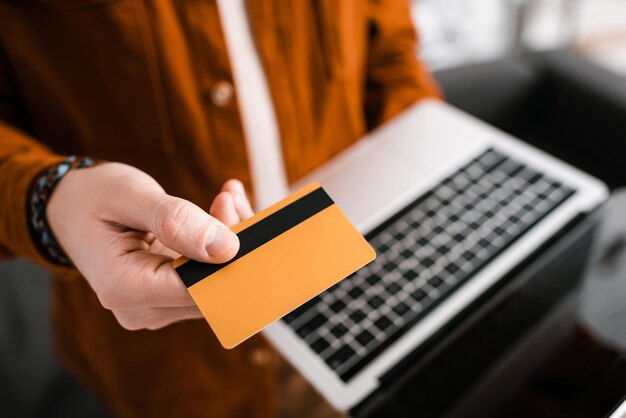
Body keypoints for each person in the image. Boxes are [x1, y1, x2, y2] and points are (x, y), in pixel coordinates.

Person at [0, 1, 440, 417]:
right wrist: (51, 200)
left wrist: (427, 161)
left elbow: (390, 51)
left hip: (354, 299)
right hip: (173, 364)